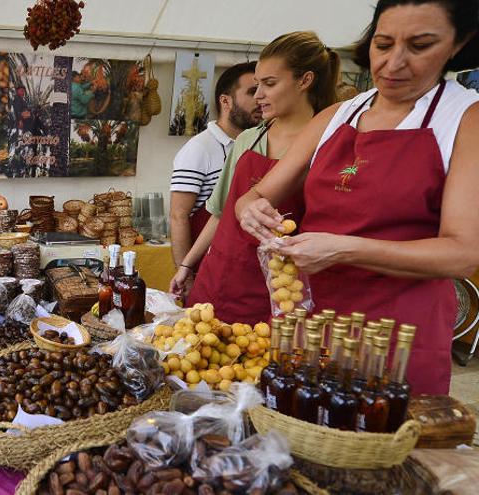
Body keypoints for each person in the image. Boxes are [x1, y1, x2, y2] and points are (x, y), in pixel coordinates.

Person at [236, 0, 479, 395]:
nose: (393, 63)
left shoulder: (465, 119)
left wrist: (345, 250)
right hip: (310, 322)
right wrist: (250, 208)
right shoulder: (338, 115)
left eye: (420, 46)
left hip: (396, 335)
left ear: (459, 43)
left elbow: (464, 253)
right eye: (383, 45)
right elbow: (258, 193)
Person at [171, 31, 340, 324]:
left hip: (278, 293)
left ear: (305, 81)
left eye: (269, 84)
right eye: (257, 85)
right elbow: (220, 212)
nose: (259, 95)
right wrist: (187, 264)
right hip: (218, 277)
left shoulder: (328, 146)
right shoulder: (248, 139)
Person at [169, 61, 260, 271]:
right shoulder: (199, 149)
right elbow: (178, 216)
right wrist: (187, 272)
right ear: (225, 101)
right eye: (252, 92)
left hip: (242, 262)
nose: (260, 99)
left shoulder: (258, 144)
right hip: (207, 264)